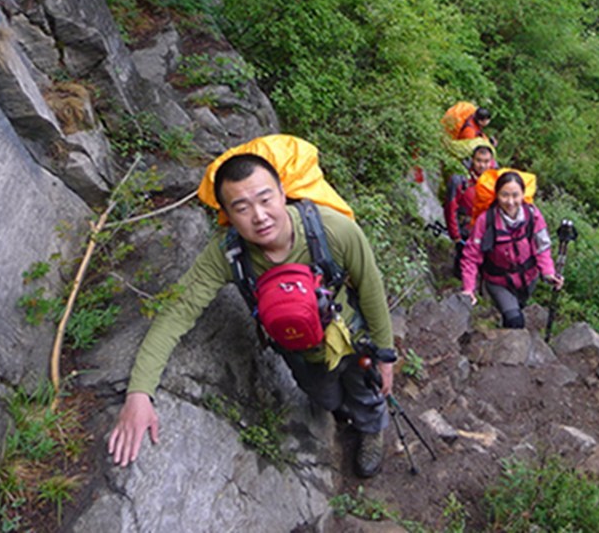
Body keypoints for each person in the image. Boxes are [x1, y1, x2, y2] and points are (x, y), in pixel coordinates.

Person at [107, 152, 394, 478]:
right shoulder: (227, 254)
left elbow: (371, 291)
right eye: (242, 208)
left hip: (352, 340)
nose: (259, 216)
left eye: (265, 199)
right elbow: (178, 312)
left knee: (365, 391)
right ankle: (345, 411)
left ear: (283, 194)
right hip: (299, 352)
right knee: (327, 398)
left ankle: (371, 427)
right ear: (228, 214)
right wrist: (139, 392)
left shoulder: (334, 231)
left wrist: (385, 355)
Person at [460, 171, 563, 329]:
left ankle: (503, 331)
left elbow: (542, 247)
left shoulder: (532, 215)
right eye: (504, 195)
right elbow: (471, 257)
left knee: (517, 310)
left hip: (528, 279)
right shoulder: (485, 221)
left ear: (523, 194)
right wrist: (469, 288)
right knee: (515, 321)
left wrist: (548, 273)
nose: (510, 201)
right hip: (498, 282)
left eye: (515, 195)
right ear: (497, 195)